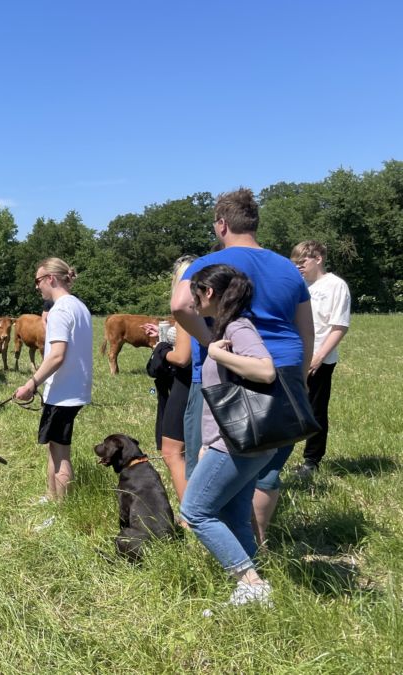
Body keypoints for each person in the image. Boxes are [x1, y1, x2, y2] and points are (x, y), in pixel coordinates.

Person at [170, 189, 312, 546]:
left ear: (221, 224)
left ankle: (231, 557)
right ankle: (258, 545)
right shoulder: (287, 267)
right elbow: (306, 329)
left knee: (212, 463)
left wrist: (208, 342)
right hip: (286, 370)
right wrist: (302, 376)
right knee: (265, 467)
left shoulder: (210, 264)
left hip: (230, 379)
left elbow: (180, 306)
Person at [179, 264, 278, 609]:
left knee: (196, 511)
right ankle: (255, 586)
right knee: (235, 515)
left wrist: (218, 352)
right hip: (241, 442)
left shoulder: (238, 327)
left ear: (208, 293)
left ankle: (251, 584)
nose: (192, 301)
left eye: (195, 293)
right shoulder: (230, 326)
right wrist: (207, 443)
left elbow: (265, 370)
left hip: (237, 443)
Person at [14, 258, 93, 502]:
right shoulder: (78, 306)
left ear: (51, 278)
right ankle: (51, 497)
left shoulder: (60, 309)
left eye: (38, 281)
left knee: (60, 453)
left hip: (63, 392)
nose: (36, 286)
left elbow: (57, 355)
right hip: (73, 389)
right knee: (54, 447)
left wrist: (31, 383)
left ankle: (60, 508)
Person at [291, 240, 351, 478]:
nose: (298, 267)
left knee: (314, 410)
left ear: (318, 258)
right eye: (295, 263)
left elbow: (339, 326)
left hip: (319, 359)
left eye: (302, 262)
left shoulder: (336, 286)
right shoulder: (299, 286)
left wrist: (318, 357)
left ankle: (311, 461)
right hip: (295, 356)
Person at [142, 255, 196, 502]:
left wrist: (161, 350)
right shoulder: (212, 303)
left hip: (186, 382)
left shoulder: (187, 307)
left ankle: (190, 515)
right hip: (204, 378)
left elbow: (183, 357)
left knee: (172, 451)